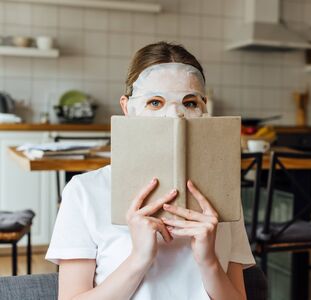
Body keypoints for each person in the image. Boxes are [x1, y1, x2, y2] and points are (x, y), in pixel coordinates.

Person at [46, 41, 255, 300]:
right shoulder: (84, 191)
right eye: (155, 102)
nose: (174, 116)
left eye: (189, 103)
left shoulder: (224, 195)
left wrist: (209, 261)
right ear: (127, 108)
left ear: (204, 109)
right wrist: (139, 258)